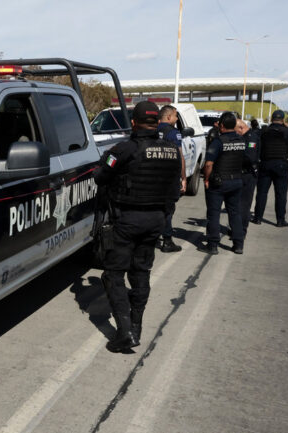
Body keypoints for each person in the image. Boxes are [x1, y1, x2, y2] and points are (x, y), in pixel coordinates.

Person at [94, 101, 181, 353]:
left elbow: (100, 177)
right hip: (156, 220)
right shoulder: (172, 151)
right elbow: (175, 189)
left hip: (127, 220)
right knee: (141, 272)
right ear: (158, 122)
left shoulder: (123, 150)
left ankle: (124, 332)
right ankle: (136, 327)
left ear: (134, 122)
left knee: (113, 274)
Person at [199, 112, 245, 255]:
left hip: (219, 182)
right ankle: (238, 244)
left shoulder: (218, 142)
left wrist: (206, 179)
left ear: (222, 126)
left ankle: (213, 245)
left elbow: (208, 164)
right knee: (235, 213)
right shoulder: (241, 141)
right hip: (236, 181)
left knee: (214, 214)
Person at [252, 110, 288, 227]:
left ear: (271, 119)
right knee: (281, 194)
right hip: (281, 166)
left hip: (265, 164)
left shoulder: (264, 131)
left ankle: (257, 218)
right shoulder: (287, 131)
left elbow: (254, 136)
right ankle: (280, 220)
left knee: (262, 193)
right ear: (283, 120)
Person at [156, 105, 187, 253]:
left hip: (152, 176)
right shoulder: (174, 133)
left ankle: (155, 235)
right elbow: (180, 157)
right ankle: (167, 241)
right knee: (168, 209)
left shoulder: (152, 130)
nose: (176, 119)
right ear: (169, 117)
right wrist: (183, 177)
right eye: (175, 116)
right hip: (169, 178)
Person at [236, 119, 260, 237]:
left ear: (241, 128)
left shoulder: (251, 137)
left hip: (248, 175)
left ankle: (242, 231)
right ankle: (236, 228)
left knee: (244, 205)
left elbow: (249, 158)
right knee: (236, 204)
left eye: (236, 131)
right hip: (239, 174)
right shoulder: (243, 136)